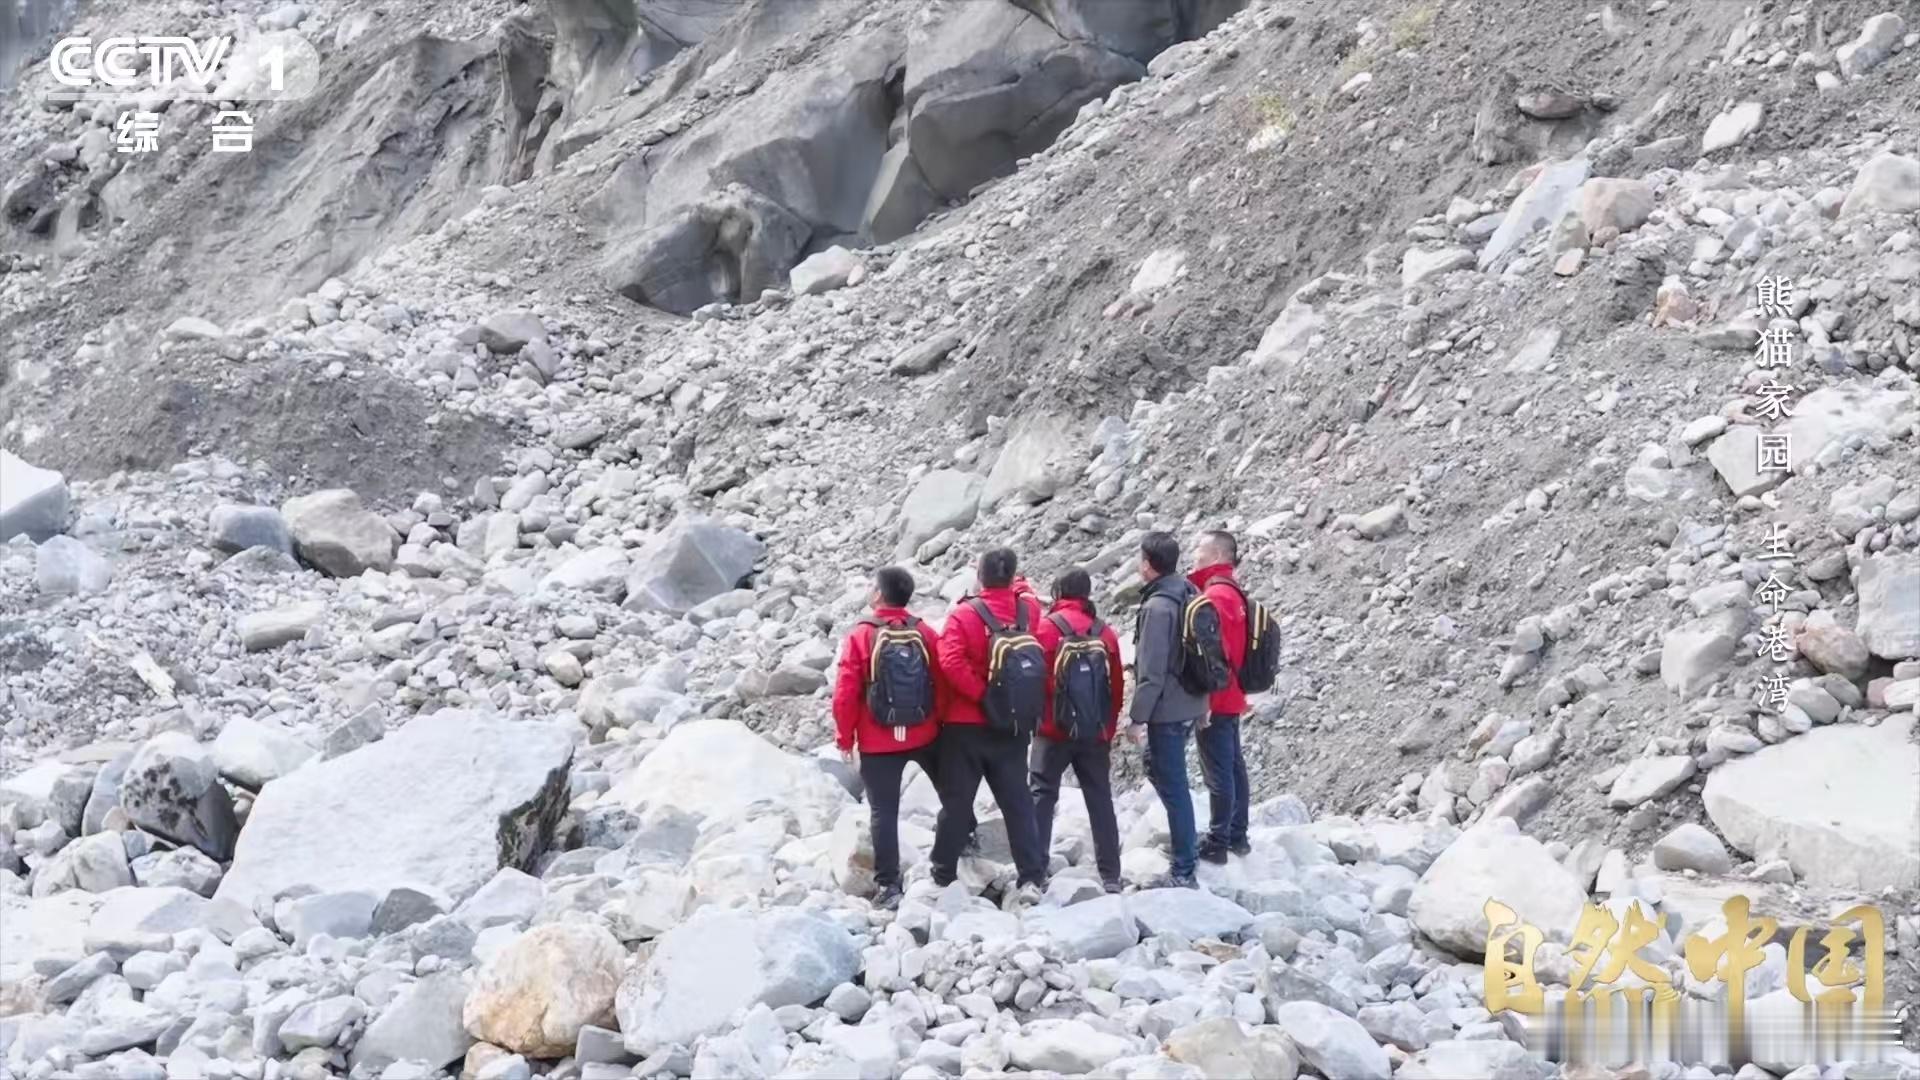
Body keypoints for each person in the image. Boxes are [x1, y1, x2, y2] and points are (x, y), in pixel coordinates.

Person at [932, 547, 1049, 901]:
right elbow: (1029, 598)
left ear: (978, 576)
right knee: (1017, 801)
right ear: (1013, 578)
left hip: (967, 724)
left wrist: (983, 695)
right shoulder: (1027, 610)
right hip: (1013, 724)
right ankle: (1031, 875)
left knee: (957, 801)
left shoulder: (964, 614)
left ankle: (942, 872)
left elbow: (950, 661)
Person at [833, 566, 944, 909]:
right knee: (952, 792)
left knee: (883, 812)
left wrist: (844, 738)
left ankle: (889, 887)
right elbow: (942, 679)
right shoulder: (924, 631)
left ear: (879, 595)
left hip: (877, 739)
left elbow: (845, 693)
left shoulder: (860, 635)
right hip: (925, 733)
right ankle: (960, 844)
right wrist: (938, 722)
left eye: (872, 586)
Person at [1029, 568, 1125, 893]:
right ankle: (1111, 874)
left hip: (1052, 731)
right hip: (1094, 732)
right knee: (1099, 798)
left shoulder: (1046, 629)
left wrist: (1037, 722)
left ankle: (1035, 871)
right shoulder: (1104, 633)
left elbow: (1035, 680)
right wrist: (1107, 727)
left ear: (1057, 593)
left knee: (1042, 795)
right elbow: (1116, 686)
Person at [1128, 531, 1209, 888]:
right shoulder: (1191, 593)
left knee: (1175, 787)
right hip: (1190, 700)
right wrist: (1204, 704)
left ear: (1148, 565)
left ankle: (1183, 868)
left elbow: (1151, 671)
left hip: (1167, 710)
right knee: (1166, 776)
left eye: (1139, 559)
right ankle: (1185, 847)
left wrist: (1136, 718)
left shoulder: (1157, 607)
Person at [1189, 531, 1251, 863]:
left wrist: (1205, 701)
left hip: (1218, 698)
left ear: (1215, 556)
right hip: (1234, 691)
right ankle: (1237, 834)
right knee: (1233, 764)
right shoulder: (1234, 593)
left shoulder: (1214, 597)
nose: (1194, 555)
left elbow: (1212, 655)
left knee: (1219, 771)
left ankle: (1218, 841)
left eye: (1199, 549)